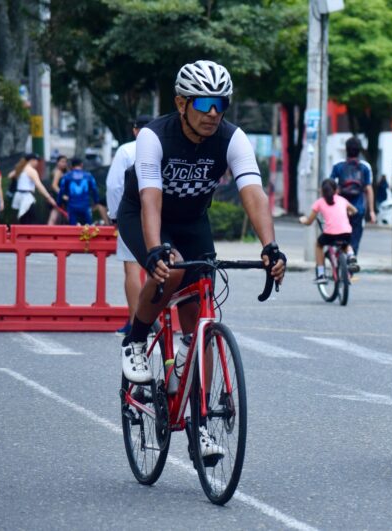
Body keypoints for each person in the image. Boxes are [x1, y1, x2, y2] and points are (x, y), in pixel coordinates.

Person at [117, 60, 286, 459]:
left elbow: (252, 191)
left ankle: (199, 422)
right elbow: (150, 197)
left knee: (202, 322)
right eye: (206, 102)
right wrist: (156, 249)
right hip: (144, 216)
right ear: (181, 102)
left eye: (222, 103)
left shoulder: (232, 138)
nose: (215, 112)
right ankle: (136, 340)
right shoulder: (154, 137)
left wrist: (270, 245)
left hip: (193, 221)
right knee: (172, 268)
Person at [106, 114, 153, 336]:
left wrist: (115, 215)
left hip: (133, 213)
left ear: (135, 131)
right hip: (159, 213)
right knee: (159, 267)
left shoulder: (126, 150)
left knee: (132, 267)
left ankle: (135, 323)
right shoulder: (162, 148)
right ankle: (154, 321)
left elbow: (114, 185)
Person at [299, 178, 359, 283]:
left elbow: (309, 221)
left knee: (318, 245)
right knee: (345, 245)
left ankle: (321, 274)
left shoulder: (319, 202)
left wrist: (303, 220)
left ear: (321, 191)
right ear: (336, 190)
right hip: (346, 232)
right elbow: (354, 210)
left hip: (330, 234)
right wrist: (349, 213)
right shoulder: (342, 200)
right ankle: (351, 255)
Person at [329, 136, 375, 256]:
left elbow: (329, 187)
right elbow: (368, 189)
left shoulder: (338, 166)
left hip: (340, 209)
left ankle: (340, 257)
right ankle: (351, 257)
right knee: (355, 236)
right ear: (359, 151)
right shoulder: (365, 167)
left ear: (346, 150)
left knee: (339, 234)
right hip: (358, 209)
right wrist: (371, 211)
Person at [9, 153, 57, 224]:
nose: (37, 162)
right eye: (36, 160)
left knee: (22, 220)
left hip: (18, 196)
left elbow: (10, 175)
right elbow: (39, 185)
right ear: (32, 160)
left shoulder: (21, 169)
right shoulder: (31, 170)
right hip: (27, 197)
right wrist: (49, 197)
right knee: (30, 221)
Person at [58, 158, 99, 225]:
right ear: (81, 165)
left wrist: (59, 203)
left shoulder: (66, 176)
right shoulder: (88, 176)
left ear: (71, 166)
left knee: (73, 228)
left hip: (72, 206)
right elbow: (94, 189)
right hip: (85, 206)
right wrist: (96, 201)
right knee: (89, 228)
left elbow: (61, 190)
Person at [47, 155, 69, 225]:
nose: (64, 163)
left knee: (63, 216)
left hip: (63, 197)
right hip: (57, 197)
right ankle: (48, 232)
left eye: (65, 162)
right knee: (54, 215)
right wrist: (62, 195)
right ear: (57, 162)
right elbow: (54, 185)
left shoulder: (65, 172)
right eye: (62, 162)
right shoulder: (58, 172)